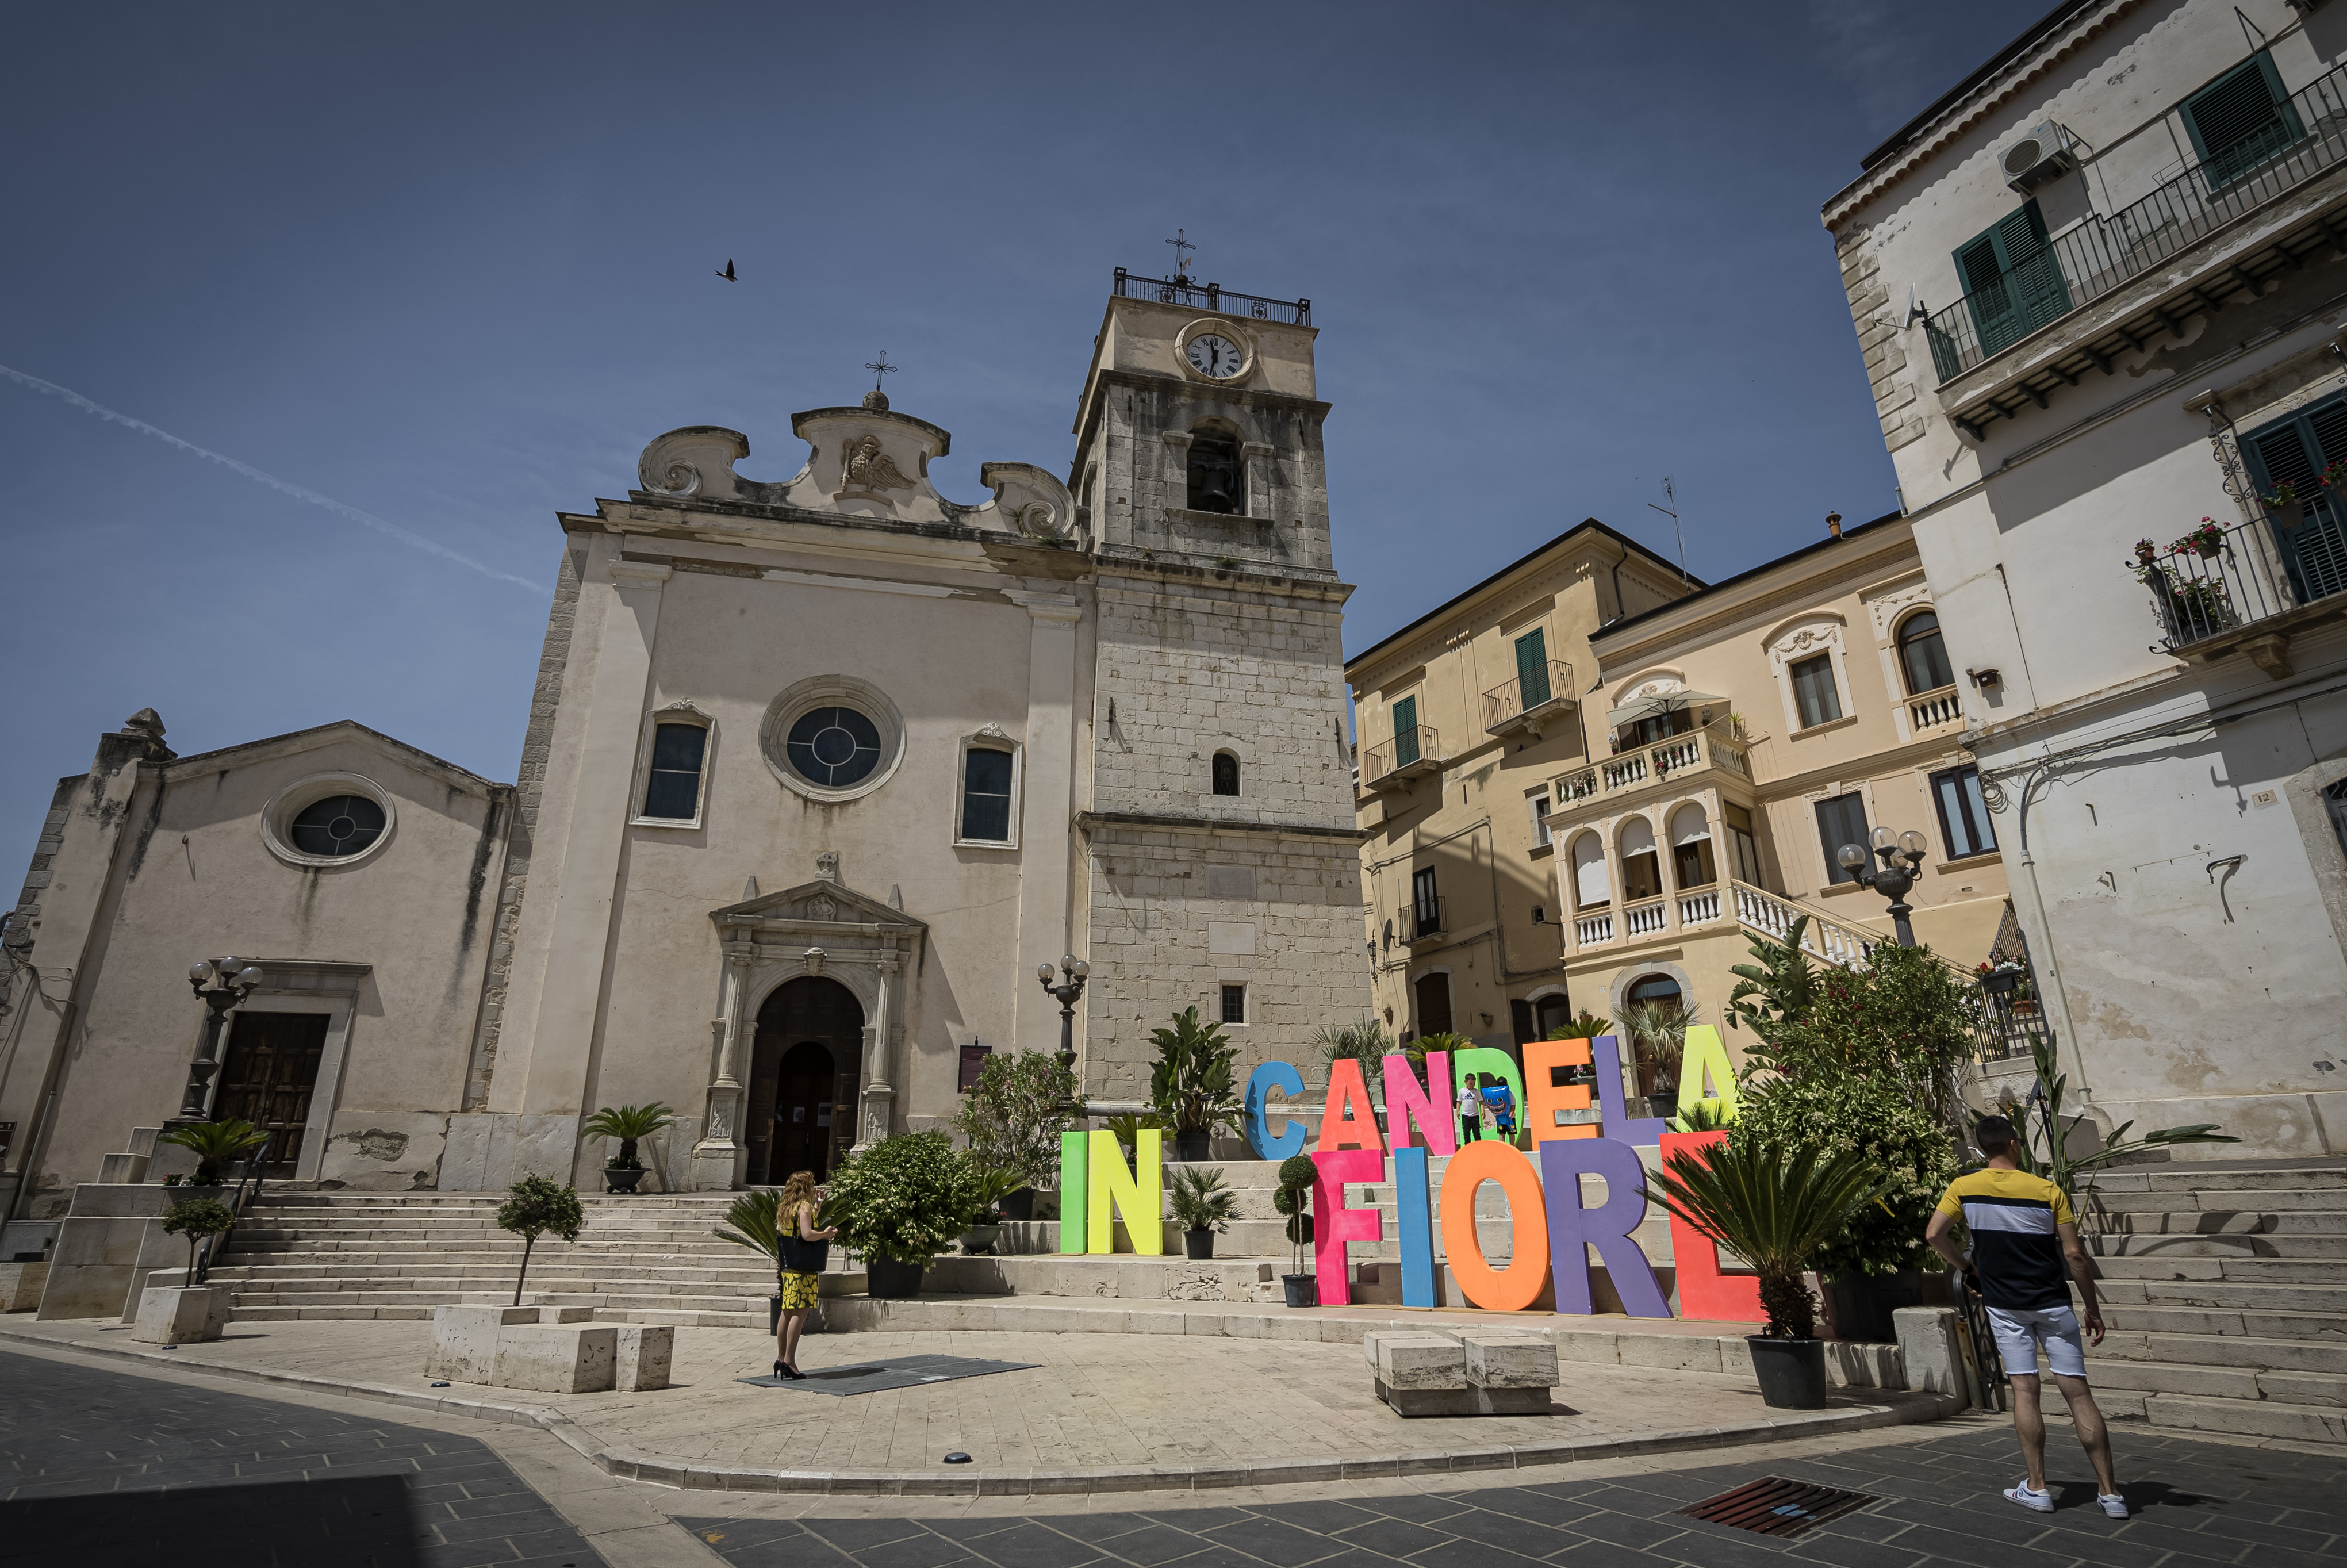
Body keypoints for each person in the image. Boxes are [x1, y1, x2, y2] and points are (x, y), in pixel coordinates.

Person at [1926, 1115, 2126, 1519]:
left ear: (1983, 1149)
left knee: (2025, 1390)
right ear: (2014, 1144)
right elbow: (2074, 1255)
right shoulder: (2048, 1189)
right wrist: (2093, 1307)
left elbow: (1934, 1235)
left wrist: (1967, 1269)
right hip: (2053, 1302)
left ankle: (2037, 1487)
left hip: (2004, 1304)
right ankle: (2111, 1494)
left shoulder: (1964, 1187)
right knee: (2078, 1393)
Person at [773, 1170, 835, 1381]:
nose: (813, 1187)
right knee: (800, 1314)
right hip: (805, 1271)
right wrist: (826, 1234)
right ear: (805, 1187)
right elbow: (807, 1234)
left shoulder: (786, 1207)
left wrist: (818, 1205)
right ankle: (790, 1361)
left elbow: (802, 1227)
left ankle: (781, 1359)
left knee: (786, 1311)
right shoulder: (804, 1206)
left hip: (790, 1269)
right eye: (812, 1184)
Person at [1481, 1074, 1517, 1143]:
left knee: (1510, 1133)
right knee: (1502, 1133)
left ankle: (1512, 1147)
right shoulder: (1504, 1094)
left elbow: (1513, 1105)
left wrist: (1511, 1115)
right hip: (1501, 1117)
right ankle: (1503, 1147)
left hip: (1509, 1116)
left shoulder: (1509, 1094)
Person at [1459, 1074, 1486, 1143]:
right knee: (1466, 1133)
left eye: (1474, 1084)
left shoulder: (1476, 1092)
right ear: (1466, 1082)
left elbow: (1481, 1102)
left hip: (1475, 1116)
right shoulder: (1462, 1091)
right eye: (1470, 1083)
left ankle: (1478, 1148)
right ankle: (1468, 1149)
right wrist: (1458, 1111)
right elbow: (1459, 1101)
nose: (1472, 1085)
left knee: (1477, 1133)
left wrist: (1483, 1111)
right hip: (1465, 1116)